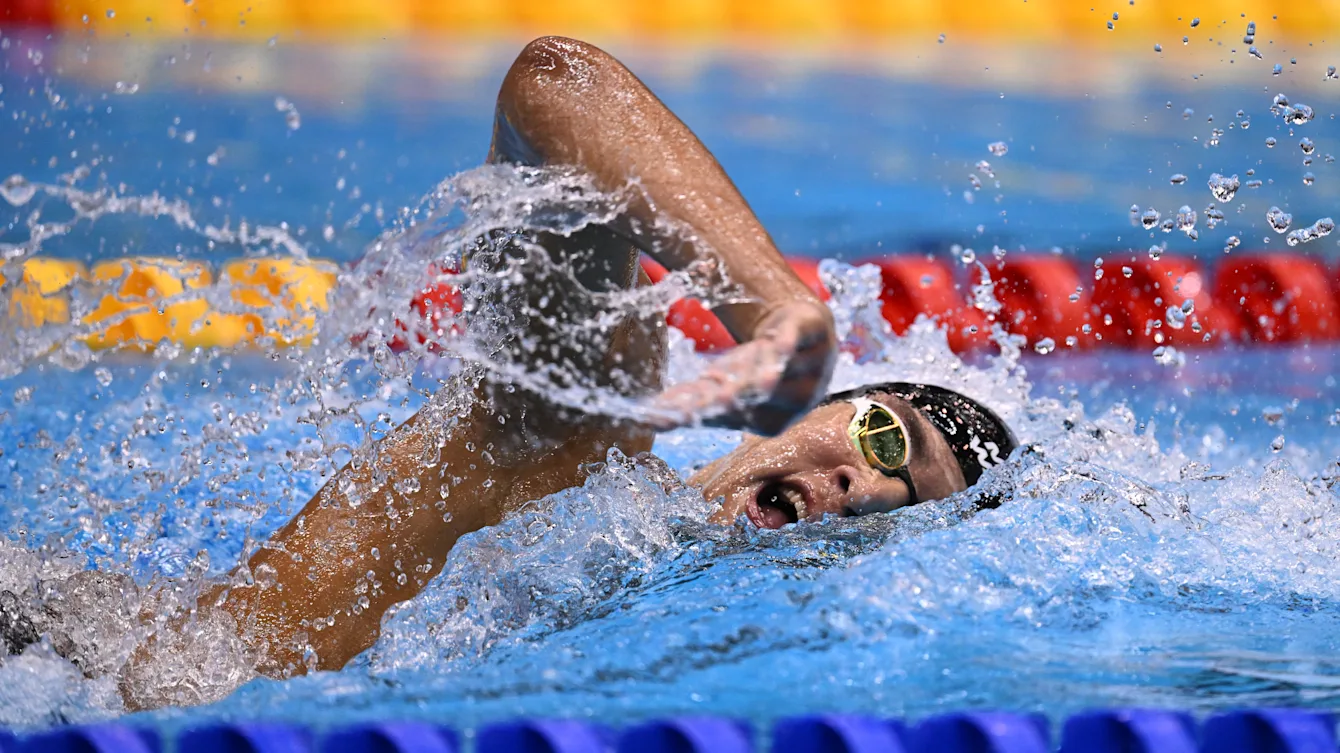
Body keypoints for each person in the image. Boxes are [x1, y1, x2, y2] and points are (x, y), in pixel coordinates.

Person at [1, 36, 1016, 709]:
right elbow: (551, 84)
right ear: (815, 411)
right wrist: (777, 304)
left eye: (897, 502)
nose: (864, 486)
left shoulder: (692, 653)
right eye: (884, 442)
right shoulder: (575, 438)